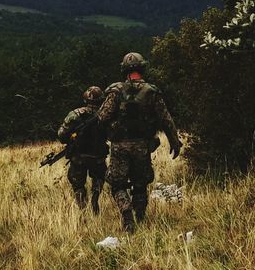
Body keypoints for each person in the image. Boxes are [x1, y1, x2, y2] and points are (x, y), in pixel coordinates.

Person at [95, 51, 182, 231]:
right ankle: (140, 218)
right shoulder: (152, 91)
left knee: (117, 184)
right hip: (142, 146)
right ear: (142, 68)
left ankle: (127, 214)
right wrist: (174, 141)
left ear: (124, 70)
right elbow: (166, 119)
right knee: (140, 184)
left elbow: (102, 118)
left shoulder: (115, 91)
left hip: (119, 146)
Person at [56, 86, 108, 213]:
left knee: (78, 184)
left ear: (85, 99)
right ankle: (95, 200)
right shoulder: (106, 115)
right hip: (98, 156)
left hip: (79, 156)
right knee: (98, 180)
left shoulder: (75, 114)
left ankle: (82, 208)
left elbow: (61, 135)